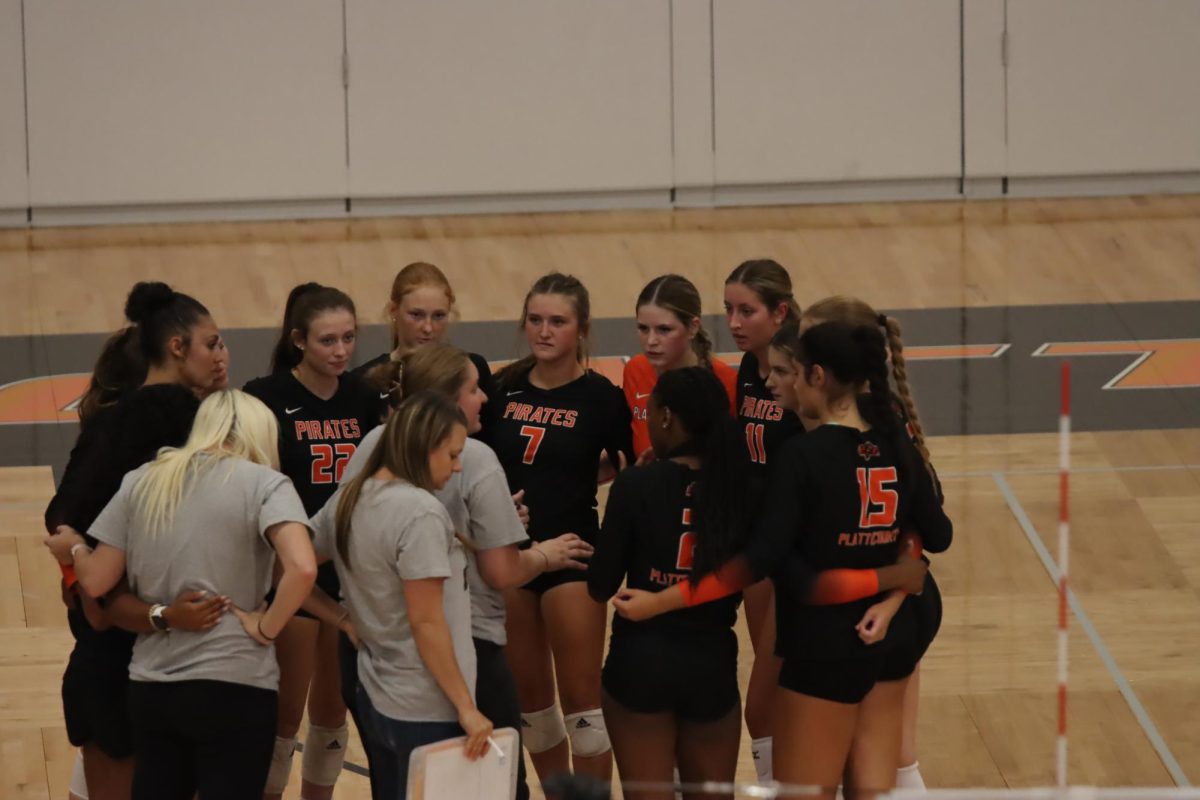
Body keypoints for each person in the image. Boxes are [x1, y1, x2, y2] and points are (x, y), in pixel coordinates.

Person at [46, 389, 318, 800]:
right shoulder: (266, 483)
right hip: (237, 686)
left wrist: (77, 548)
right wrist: (266, 627)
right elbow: (302, 567)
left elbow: (98, 581)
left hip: (153, 688)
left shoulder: (143, 480)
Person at [45, 281, 227, 800]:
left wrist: (87, 587)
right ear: (176, 348)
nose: (219, 356)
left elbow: (60, 519)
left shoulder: (109, 424)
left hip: (110, 656)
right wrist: (98, 594)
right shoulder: (187, 422)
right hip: (163, 658)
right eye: (210, 343)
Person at [311, 391, 494, 797]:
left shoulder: (349, 498)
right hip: (428, 707)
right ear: (422, 447)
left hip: (377, 698)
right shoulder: (420, 513)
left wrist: (342, 619)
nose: (458, 465)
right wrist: (466, 707)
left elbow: (289, 566)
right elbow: (426, 622)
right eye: (452, 454)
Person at [491, 273, 634, 784]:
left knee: (585, 714)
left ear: (582, 328)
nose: (544, 331)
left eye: (558, 321)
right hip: (510, 557)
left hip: (573, 555)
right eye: (535, 320)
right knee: (534, 710)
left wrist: (579, 481)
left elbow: (630, 467)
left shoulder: (600, 397)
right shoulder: (501, 388)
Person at [801, 295, 945, 791]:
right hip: (889, 602)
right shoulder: (876, 422)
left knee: (882, 761)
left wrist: (891, 600)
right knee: (880, 759)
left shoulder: (869, 434)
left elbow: (928, 533)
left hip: (887, 605)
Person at [244, 283, 379, 800]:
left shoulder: (365, 398)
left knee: (331, 716)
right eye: (328, 341)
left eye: (348, 338)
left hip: (349, 571)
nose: (341, 351)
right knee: (282, 721)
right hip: (290, 571)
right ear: (299, 340)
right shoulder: (265, 397)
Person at [590, 367, 747, 800]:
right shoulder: (741, 486)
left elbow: (601, 585)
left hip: (641, 663)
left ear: (665, 419)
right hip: (711, 663)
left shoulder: (636, 485)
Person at [722, 258, 803, 781]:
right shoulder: (746, 372)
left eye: (746, 310)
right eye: (728, 308)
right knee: (774, 698)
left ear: (780, 312)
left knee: (766, 704)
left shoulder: (799, 372)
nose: (733, 321)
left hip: (795, 547)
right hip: (755, 542)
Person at [354, 261, 496, 440]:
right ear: (393, 311)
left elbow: (490, 438)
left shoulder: (473, 369)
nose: (428, 328)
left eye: (439, 316)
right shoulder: (367, 381)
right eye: (416, 315)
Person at [621, 274, 737, 464]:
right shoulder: (635, 370)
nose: (651, 341)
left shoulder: (724, 381)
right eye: (643, 328)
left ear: (693, 328)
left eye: (664, 330)